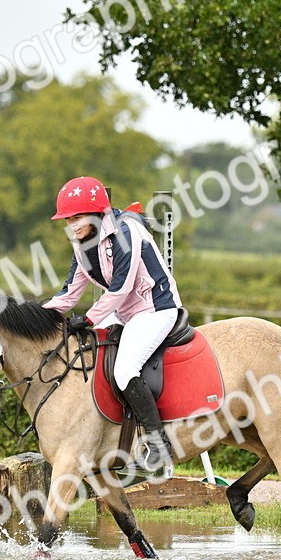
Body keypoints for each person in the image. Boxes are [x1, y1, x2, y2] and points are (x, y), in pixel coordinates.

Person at [42, 176, 183, 478]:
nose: (72, 225)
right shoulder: (81, 244)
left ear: (95, 213)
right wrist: (31, 318)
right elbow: (68, 294)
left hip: (154, 309)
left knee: (124, 370)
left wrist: (89, 319)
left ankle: (158, 444)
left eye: (77, 217)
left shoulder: (126, 232)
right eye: (68, 219)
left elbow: (120, 288)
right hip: (123, 313)